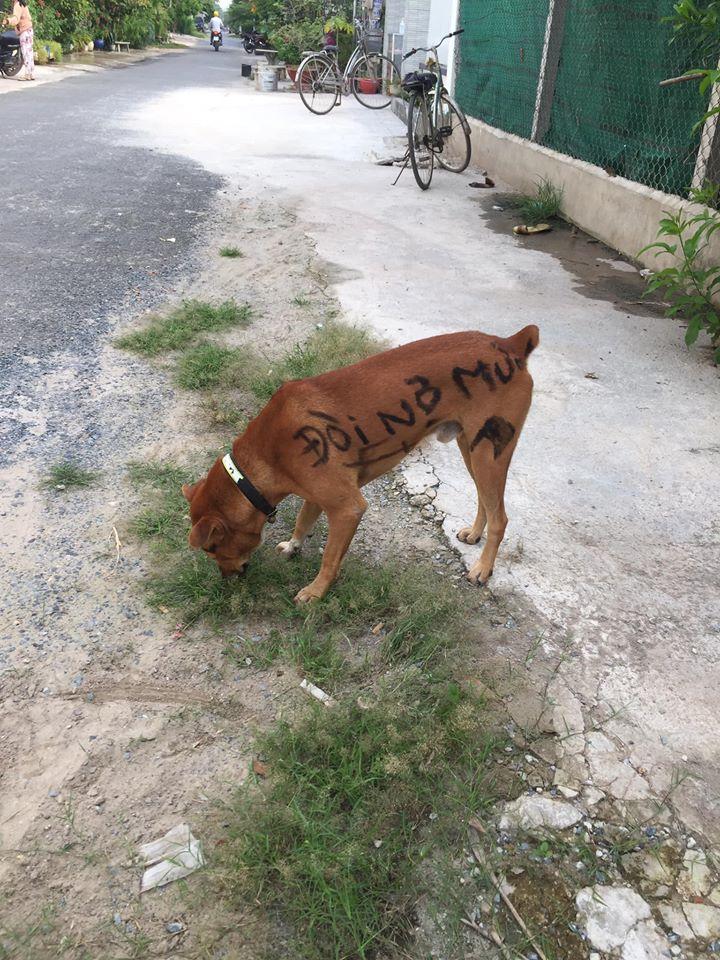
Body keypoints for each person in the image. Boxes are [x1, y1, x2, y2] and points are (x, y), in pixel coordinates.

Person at [2, 0, 34, 80]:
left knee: (26, 53)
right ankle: (30, 74)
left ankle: (27, 75)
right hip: (29, 30)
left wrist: (7, 21)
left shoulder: (17, 5)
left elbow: (16, 19)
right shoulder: (22, 4)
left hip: (24, 32)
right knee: (29, 53)